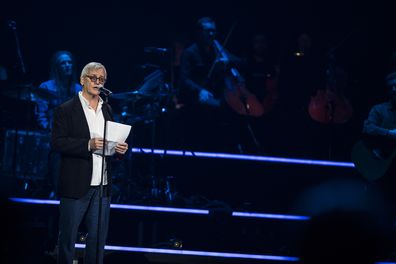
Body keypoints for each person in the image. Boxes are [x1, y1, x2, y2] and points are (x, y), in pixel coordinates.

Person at [51, 62, 128, 264]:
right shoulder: (66, 109)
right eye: (93, 78)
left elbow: (111, 142)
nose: (97, 82)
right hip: (76, 183)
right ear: (82, 80)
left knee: (97, 240)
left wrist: (119, 150)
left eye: (101, 79)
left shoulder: (107, 109)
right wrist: (88, 144)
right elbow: (57, 143)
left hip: (102, 186)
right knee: (68, 238)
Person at [178, 17, 244, 152]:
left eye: (213, 31)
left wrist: (228, 61)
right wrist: (199, 90)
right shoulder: (190, 52)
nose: (211, 34)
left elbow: (239, 61)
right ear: (199, 32)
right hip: (195, 98)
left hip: (215, 95)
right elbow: (184, 79)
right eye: (208, 31)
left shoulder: (217, 49)